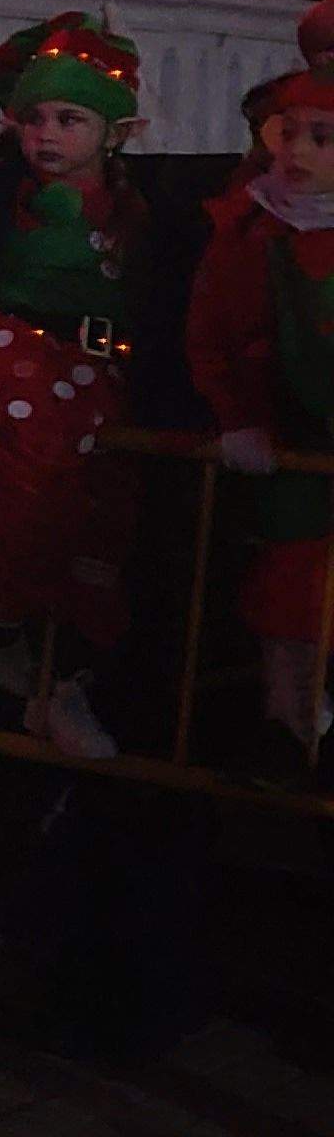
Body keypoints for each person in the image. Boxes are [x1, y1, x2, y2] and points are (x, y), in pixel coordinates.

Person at [0, 15, 180, 759]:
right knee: (26, 496)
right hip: (19, 372)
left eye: (69, 118)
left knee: (105, 523)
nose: (47, 134)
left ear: (118, 130)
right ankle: (1, 624)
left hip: (103, 384)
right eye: (34, 118)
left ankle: (67, 677)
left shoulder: (142, 216)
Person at [189, 61, 334, 789]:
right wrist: (239, 418)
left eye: (323, 137)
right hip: (291, 442)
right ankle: (288, 731)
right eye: (291, 133)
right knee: (290, 592)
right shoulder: (250, 228)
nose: (298, 152)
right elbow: (212, 329)